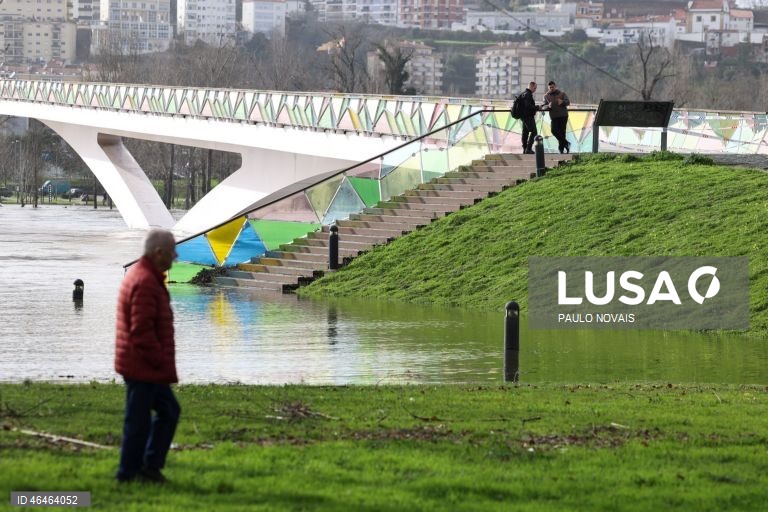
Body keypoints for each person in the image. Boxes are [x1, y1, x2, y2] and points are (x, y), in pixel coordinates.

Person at [115, 229, 180, 484]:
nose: (175, 257)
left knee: (165, 412)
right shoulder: (145, 282)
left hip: (143, 364)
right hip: (142, 365)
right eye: (172, 251)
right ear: (158, 252)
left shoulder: (146, 277)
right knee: (140, 421)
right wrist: (160, 361)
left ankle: (148, 467)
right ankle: (130, 473)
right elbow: (141, 330)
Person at [542, 81, 571, 154]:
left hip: (563, 115)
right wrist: (548, 106)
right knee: (554, 130)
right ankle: (566, 143)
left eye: (553, 87)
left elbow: (568, 102)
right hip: (554, 116)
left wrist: (562, 102)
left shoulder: (562, 94)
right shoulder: (546, 96)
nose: (551, 88)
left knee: (562, 132)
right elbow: (543, 106)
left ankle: (561, 149)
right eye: (550, 87)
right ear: (548, 87)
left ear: (555, 86)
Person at [518, 82, 539, 154]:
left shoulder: (523, 93)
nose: (535, 90)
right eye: (535, 88)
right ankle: (528, 148)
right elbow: (528, 107)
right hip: (528, 116)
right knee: (534, 132)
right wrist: (537, 107)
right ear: (531, 86)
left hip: (523, 116)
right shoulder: (528, 95)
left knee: (525, 132)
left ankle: (524, 149)